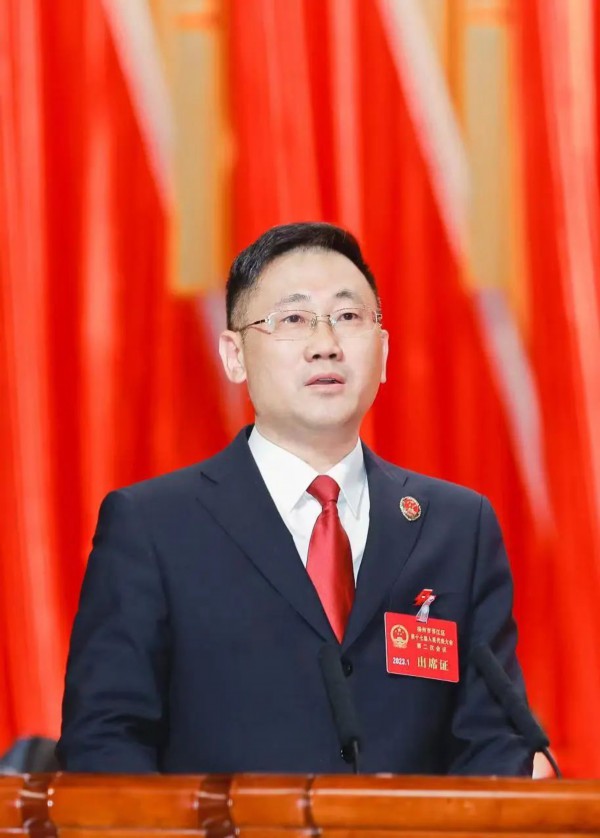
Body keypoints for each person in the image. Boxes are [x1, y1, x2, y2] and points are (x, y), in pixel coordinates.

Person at [58, 222, 533, 775]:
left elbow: (494, 741)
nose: (325, 344)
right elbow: (105, 742)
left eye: (348, 317)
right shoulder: (154, 527)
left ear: (382, 352)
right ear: (234, 355)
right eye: (293, 319)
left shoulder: (456, 527)